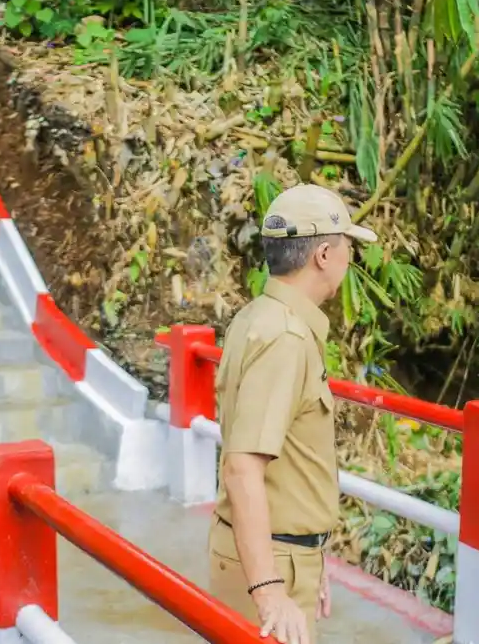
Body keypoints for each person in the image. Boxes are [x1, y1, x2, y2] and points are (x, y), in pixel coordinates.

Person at [207, 184, 377, 644]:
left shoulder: (258, 317)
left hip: (281, 554)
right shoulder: (285, 338)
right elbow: (243, 468)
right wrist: (269, 589)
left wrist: (310, 559)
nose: (348, 260)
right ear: (323, 253)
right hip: (272, 562)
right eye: (347, 248)